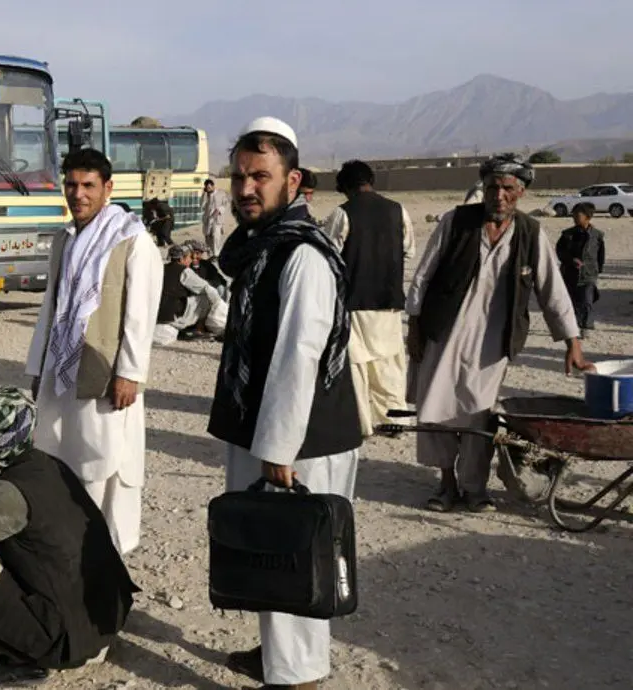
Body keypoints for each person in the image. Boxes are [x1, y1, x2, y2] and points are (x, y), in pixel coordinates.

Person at [210, 117, 361, 690]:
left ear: (293, 180)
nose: (246, 189)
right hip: (268, 428)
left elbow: (299, 355)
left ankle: (298, 676)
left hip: (300, 439)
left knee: (298, 554)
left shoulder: (303, 256)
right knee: (268, 547)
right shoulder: (259, 248)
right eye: (239, 176)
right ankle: (279, 654)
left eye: (261, 177)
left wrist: (278, 448)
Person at [0, 386, 138, 687]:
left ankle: (10, 659)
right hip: (104, 623)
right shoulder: (49, 464)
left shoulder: (7, 496)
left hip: (68, 644)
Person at [407, 154, 592, 513]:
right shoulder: (455, 222)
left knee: (481, 414)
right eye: (493, 187)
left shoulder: (529, 232)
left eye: (508, 188)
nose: (499, 195)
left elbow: (552, 289)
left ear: (520, 192)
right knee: (435, 408)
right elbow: (422, 276)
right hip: (442, 333)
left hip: (493, 342)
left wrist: (573, 342)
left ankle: (474, 488)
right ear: (484, 189)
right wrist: (414, 326)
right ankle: (445, 484)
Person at [25, 148, 163, 555]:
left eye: (88, 186)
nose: (78, 194)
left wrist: (130, 374)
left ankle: (109, 553)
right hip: (63, 369)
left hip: (105, 375)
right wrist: (38, 367)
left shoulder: (132, 239)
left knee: (107, 460)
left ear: (108, 189)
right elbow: (51, 307)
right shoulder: (65, 239)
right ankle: (72, 544)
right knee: (62, 453)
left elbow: (141, 314)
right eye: (71, 184)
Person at [323, 160, 415, 437]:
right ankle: (395, 418)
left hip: (355, 301)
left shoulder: (342, 213)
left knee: (357, 364)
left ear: (347, 187)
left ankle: (362, 423)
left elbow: (328, 256)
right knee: (390, 362)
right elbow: (408, 251)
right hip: (389, 300)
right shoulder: (398, 210)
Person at [154, 244, 227, 344]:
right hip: (173, 315)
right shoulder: (184, 271)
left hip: (157, 314)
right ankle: (200, 329)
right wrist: (220, 305)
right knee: (207, 298)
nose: (191, 260)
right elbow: (205, 287)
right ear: (181, 259)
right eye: (189, 257)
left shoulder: (161, 268)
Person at [555, 202, 605, 338]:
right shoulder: (567, 235)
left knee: (587, 301)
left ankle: (586, 326)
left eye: (579, 214)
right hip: (570, 274)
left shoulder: (597, 235)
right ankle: (574, 326)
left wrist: (597, 270)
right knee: (572, 301)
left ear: (588, 217)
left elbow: (600, 255)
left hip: (588, 274)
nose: (575, 217)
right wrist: (571, 260)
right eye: (574, 214)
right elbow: (560, 251)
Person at [201, 178, 229, 254]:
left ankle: (216, 255)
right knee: (207, 238)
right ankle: (210, 253)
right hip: (207, 220)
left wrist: (219, 210)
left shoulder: (221, 193)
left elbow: (225, 204)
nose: (209, 189)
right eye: (207, 188)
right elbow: (202, 206)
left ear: (213, 186)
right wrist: (204, 194)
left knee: (216, 237)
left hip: (217, 220)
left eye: (210, 187)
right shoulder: (206, 195)